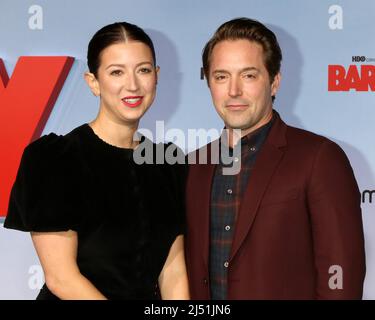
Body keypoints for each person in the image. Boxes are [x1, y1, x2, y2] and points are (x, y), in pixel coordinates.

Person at [4, 22, 189, 300]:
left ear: (157, 76)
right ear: (93, 82)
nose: (133, 84)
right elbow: (62, 279)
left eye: (144, 70)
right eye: (117, 72)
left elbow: (173, 271)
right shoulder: (55, 159)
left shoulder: (168, 163)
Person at [185, 17, 365, 299]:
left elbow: (341, 274)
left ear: (274, 82)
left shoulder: (319, 158)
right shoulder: (192, 166)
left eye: (248, 75)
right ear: (209, 83)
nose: (234, 90)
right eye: (221, 76)